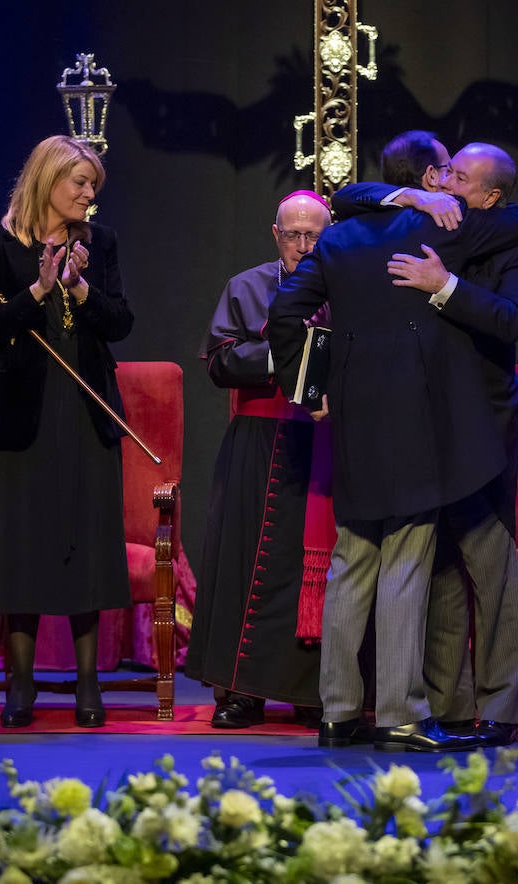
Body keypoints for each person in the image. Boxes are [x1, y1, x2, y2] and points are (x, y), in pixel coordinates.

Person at [267, 165, 518, 753]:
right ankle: (402, 715)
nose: (445, 181)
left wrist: (309, 389)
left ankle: (339, 713)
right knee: (407, 554)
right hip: (422, 420)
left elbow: (285, 314)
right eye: (441, 171)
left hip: (356, 418)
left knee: (353, 556)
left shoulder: (339, 237)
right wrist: (430, 204)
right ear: (422, 183)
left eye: (456, 174)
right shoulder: (446, 229)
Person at [0, 135, 134, 729]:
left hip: (87, 412)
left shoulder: (100, 243)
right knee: (24, 549)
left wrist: (81, 289)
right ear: (47, 179)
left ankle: (89, 685)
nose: (89, 196)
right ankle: (19, 686)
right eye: (80, 184)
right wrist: (39, 288)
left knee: (87, 541)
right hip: (24, 416)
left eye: (94, 186)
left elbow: (120, 322)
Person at [186, 190, 333, 729]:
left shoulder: (348, 284)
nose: (301, 245)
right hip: (258, 442)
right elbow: (221, 360)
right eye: (292, 234)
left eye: (312, 234)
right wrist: (283, 352)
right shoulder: (246, 287)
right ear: (276, 235)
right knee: (245, 567)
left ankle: (315, 693)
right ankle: (244, 693)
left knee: (313, 573)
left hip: (324, 444)